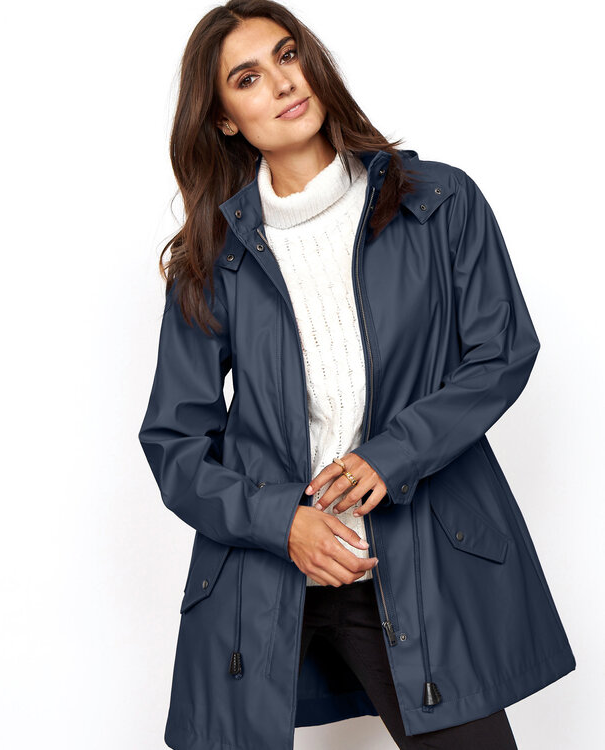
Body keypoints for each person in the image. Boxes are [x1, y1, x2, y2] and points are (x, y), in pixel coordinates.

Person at [138, 2, 576, 749]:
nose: (282, 83)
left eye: (287, 55)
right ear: (224, 121)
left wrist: (391, 455)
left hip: (410, 568)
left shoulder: (437, 203)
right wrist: (282, 522)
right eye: (248, 78)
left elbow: (501, 351)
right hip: (265, 579)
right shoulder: (213, 263)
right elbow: (175, 447)